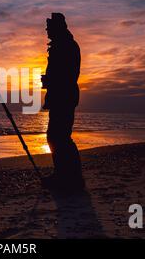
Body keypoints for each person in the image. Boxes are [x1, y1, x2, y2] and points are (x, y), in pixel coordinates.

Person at [42, 13, 85, 192]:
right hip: (63, 96)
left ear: (57, 28)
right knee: (59, 137)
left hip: (63, 96)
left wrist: (50, 80)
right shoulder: (64, 44)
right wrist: (50, 80)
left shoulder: (64, 46)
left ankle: (69, 177)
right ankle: (66, 175)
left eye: (49, 28)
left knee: (58, 137)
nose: (47, 31)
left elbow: (66, 75)